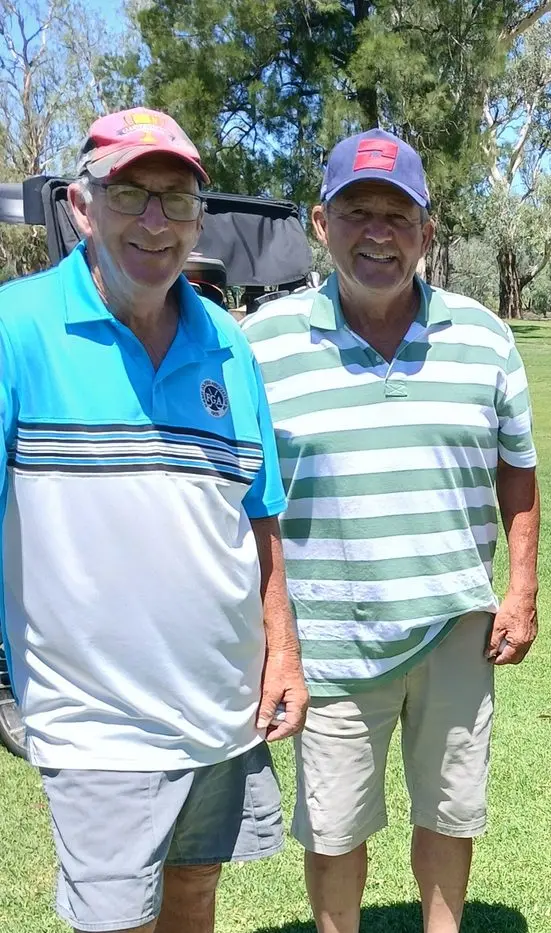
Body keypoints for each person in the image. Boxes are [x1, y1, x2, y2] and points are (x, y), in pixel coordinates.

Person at [0, 107, 307, 933]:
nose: (154, 222)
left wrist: (282, 649)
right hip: (95, 721)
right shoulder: (14, 330)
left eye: (175, 200)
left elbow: (260, 511)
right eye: (131, 194)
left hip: (219, 705)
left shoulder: (225, 343)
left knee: (196, 894)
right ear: (81, 206)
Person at [241, 127, 541, 933]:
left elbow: (518, 470)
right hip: (328, 634)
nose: (378, 231)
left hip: (455, 624)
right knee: (336, 829)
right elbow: (243, 497)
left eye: (398, 214)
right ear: (320, 222)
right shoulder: (261, 346)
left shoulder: (484, 336)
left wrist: (520, 588)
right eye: (357, 211)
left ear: (427, 232)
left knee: (450, 812)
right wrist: (270, 635)